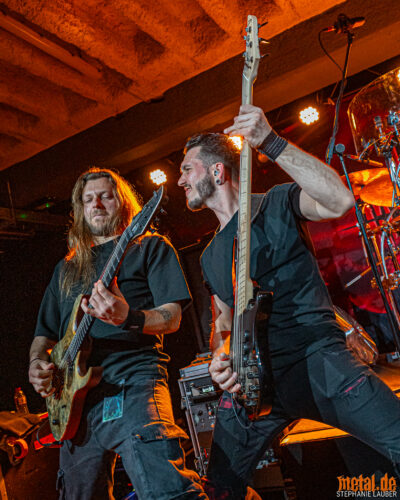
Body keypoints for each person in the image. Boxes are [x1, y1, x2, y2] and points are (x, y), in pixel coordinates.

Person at [178, 104, 400, 498]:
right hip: (255, 385)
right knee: (219, 488)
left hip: (319, 360)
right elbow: (223, 324)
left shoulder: (276, 202)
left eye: (187, 169)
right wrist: (220, 357)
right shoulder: (210, 256)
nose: (180, 180)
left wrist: (270, 141)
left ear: (217, 172)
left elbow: (339, 201)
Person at [28, 168, 207, 500]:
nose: (96, 204)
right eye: (88, 199)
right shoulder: (66, 269)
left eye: (105, 196)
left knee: (166, 489)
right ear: (80, 210)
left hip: (134, 381)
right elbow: (44, 336)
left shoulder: (149, 246)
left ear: (122, 203)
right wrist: (36, 364)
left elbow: (172, 317)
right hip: (74, 403)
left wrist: (129, 317)